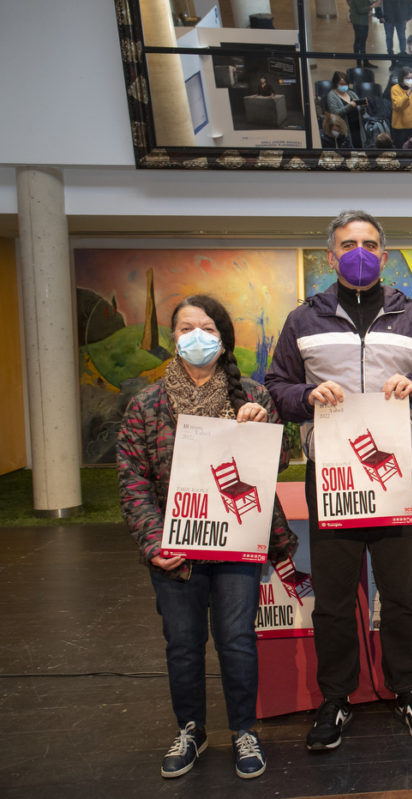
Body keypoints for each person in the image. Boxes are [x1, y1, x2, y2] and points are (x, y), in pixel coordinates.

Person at [265, 210, 412, 752]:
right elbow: (276, 385)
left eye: (370, 244)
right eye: (349, 244)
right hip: (333, 479)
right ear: (331, 256)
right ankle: (335, 698)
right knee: (332, 599)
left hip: (397, 477)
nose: (360, 252)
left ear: (385, 254)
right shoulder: (304, 319)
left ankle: (408, 689)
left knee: (400, 596)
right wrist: (307, 396)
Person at [117, 294, 297, 781]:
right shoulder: (146, 405)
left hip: (237, 544)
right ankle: (191, 730)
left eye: (207, 329)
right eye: (184, 329)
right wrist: (155, 543)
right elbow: (132, 479)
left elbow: (281, 461)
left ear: (223, 339)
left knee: (237, 640)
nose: (196, 338)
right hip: (175, 551)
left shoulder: (253, 396)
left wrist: (266, 429)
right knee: (182, 643)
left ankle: (244, 730)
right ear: (172, 339)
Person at [326, 71, 365, 148]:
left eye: (346, 84)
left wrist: (362, 107)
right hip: (344, 133)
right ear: (336, 83)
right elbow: (335, 113)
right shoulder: (332, 95)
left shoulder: (351, 93)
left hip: (357, 130)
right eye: (342, 84)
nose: (344, 86)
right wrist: (349, 106)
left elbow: (360, 112)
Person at [348, 0, 382, 69]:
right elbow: (360, 10)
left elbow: (366, 2)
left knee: (362, 42)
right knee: (359, 42)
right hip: (359, 22)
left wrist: (374, 2)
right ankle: (359, 62)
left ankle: (364, 61)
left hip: (362, 21)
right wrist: (373, 6)